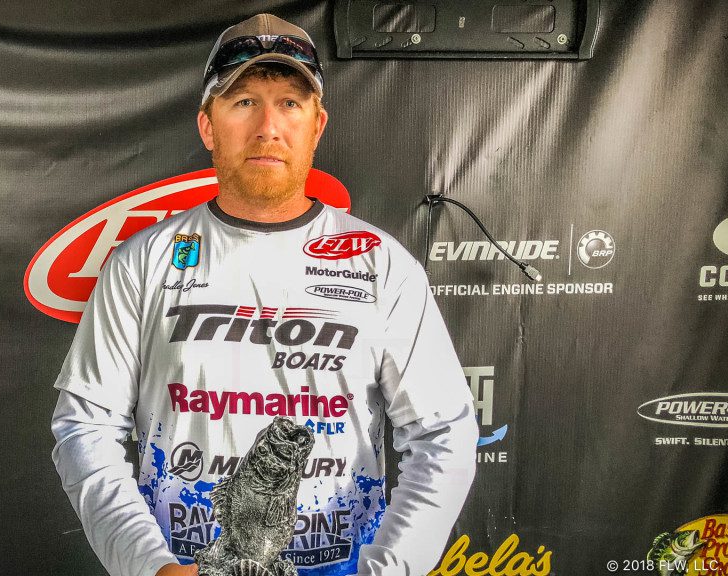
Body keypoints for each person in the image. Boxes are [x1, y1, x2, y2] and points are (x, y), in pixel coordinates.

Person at [51, 13, 478, 576]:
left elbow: (445, 432)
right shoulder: (142, 262)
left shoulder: (381, 265)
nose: (268, 127)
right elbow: (84, 427)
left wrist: (389, 569)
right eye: (244, 101)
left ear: (317, 125)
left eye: (290, 103)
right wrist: (151, 567)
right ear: (208, 125)